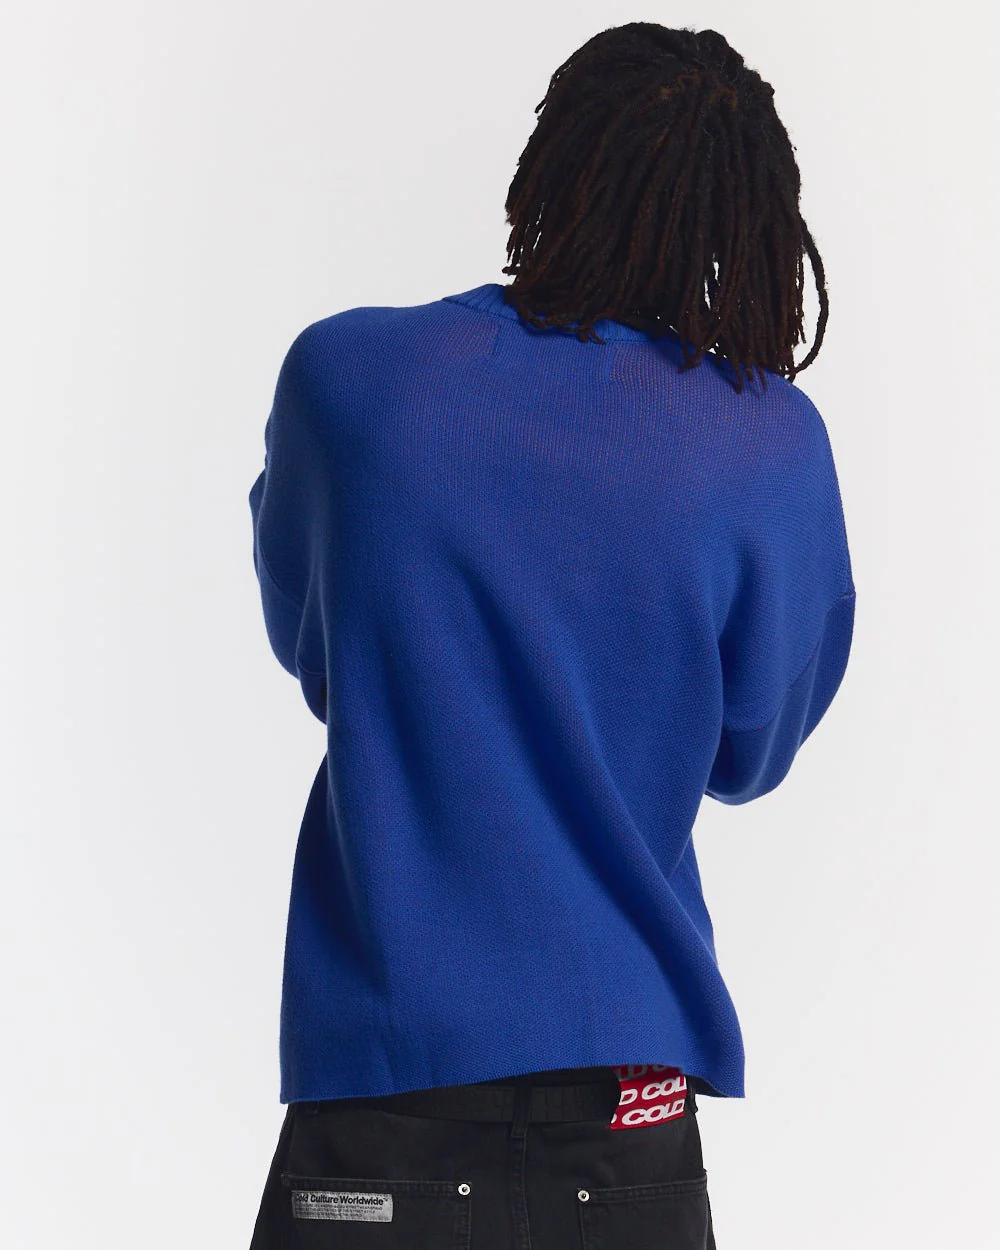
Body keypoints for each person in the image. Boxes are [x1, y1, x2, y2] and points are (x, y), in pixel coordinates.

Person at [246, 21, 856, 1250]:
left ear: (549, 170)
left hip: (382, 1095)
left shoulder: (347, 380)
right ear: (743, 218)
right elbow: (749, 750)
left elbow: (320, 649)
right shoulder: (765, 442)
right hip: (626, 1119)